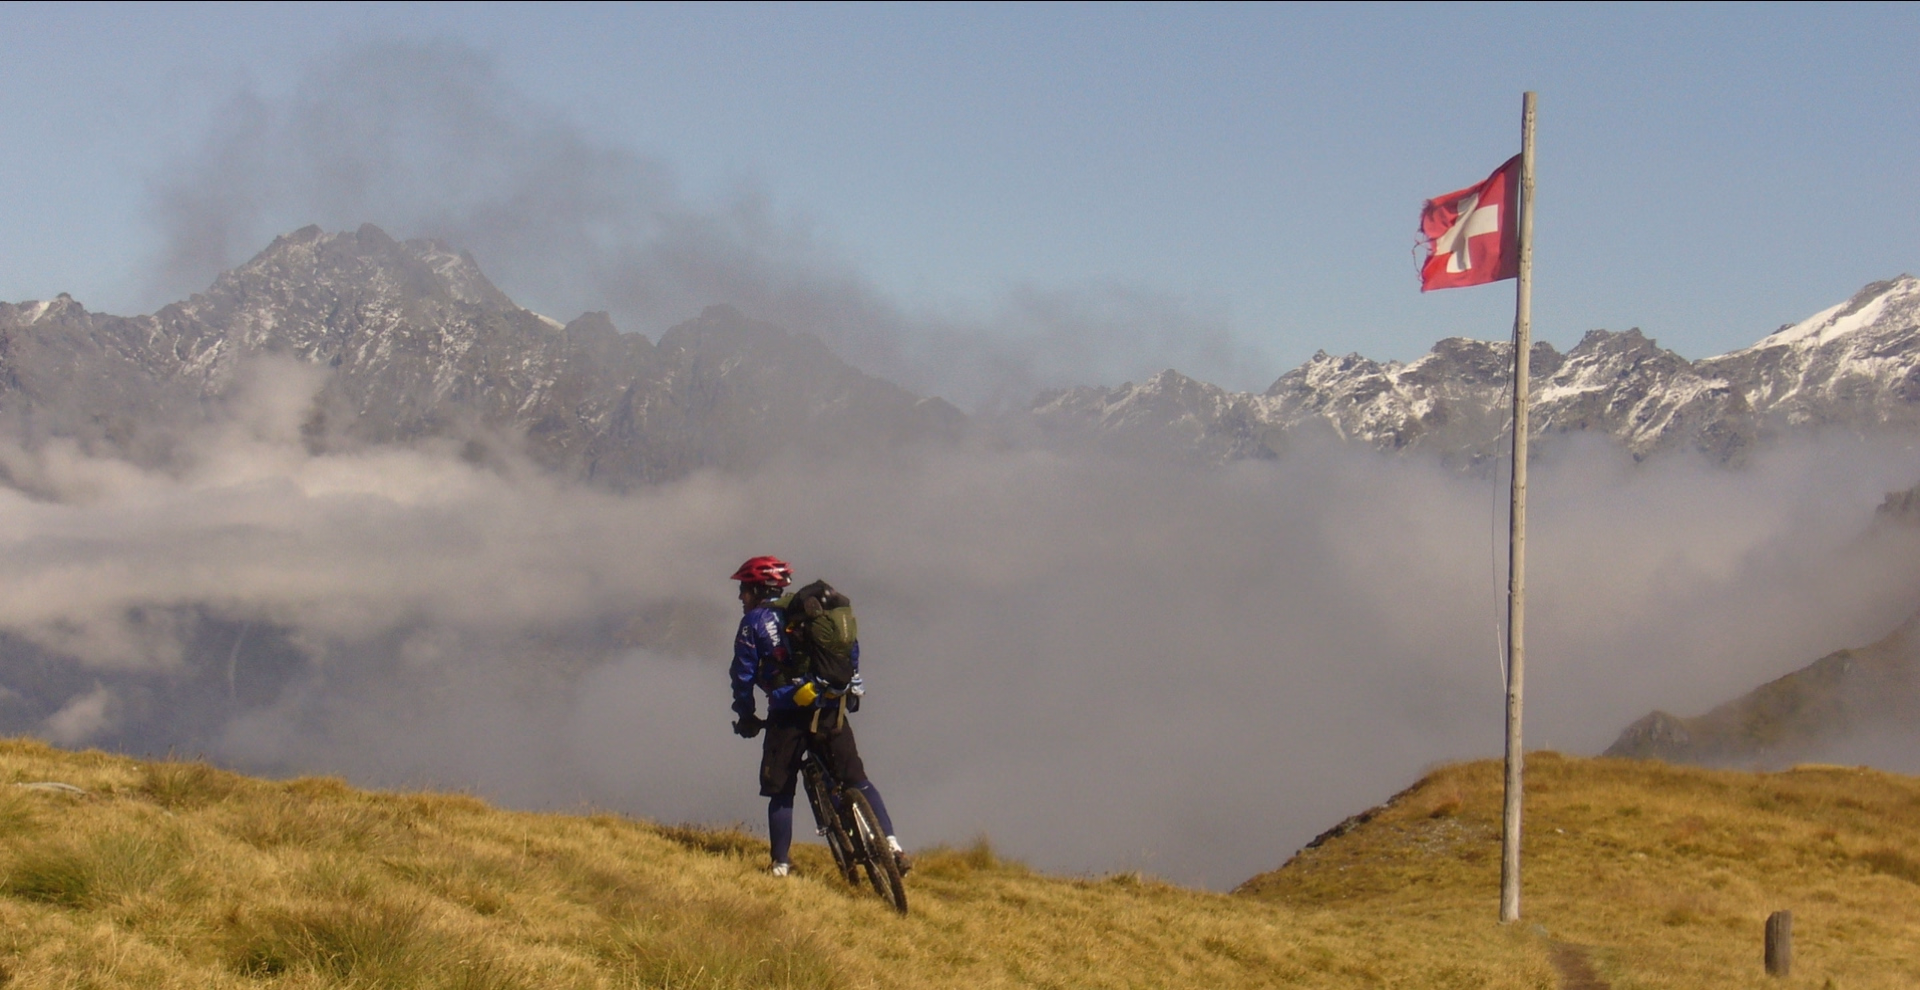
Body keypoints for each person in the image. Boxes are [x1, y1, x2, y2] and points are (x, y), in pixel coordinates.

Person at [727, 555, 908, 877]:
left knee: (781, 791)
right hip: (829, 707)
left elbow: (742, 674)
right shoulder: (817, 613)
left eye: (743, 589)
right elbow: (848, 650)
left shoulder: (754, 622)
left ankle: (781, 865)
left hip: (787, 714)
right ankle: (892, 845)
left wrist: (746, 715)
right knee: (856, 780)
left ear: (757, 589)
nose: (741, 597)